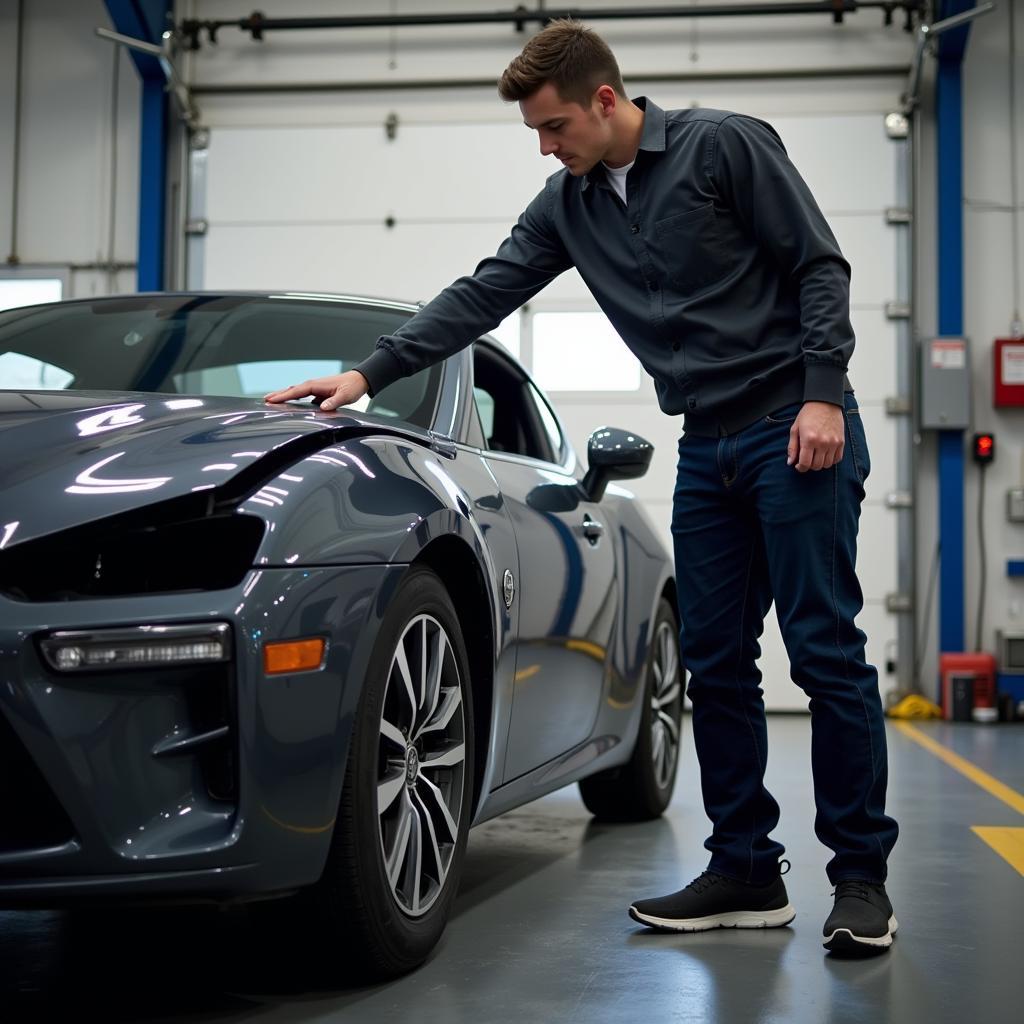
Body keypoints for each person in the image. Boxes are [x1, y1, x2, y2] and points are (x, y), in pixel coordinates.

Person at [265, 19, 899, 957]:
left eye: (555, 126)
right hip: (710, 443)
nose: (546, 146)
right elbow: (484, 292)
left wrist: (821, 398)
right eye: (536, 133)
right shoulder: (569, 205)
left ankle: (860, 882)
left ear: (607, 100)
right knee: (715, 662)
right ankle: (746, 870)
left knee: (823, 650)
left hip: (793, 428)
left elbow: (820, 266)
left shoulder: (725, 146)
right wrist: (367, 375)